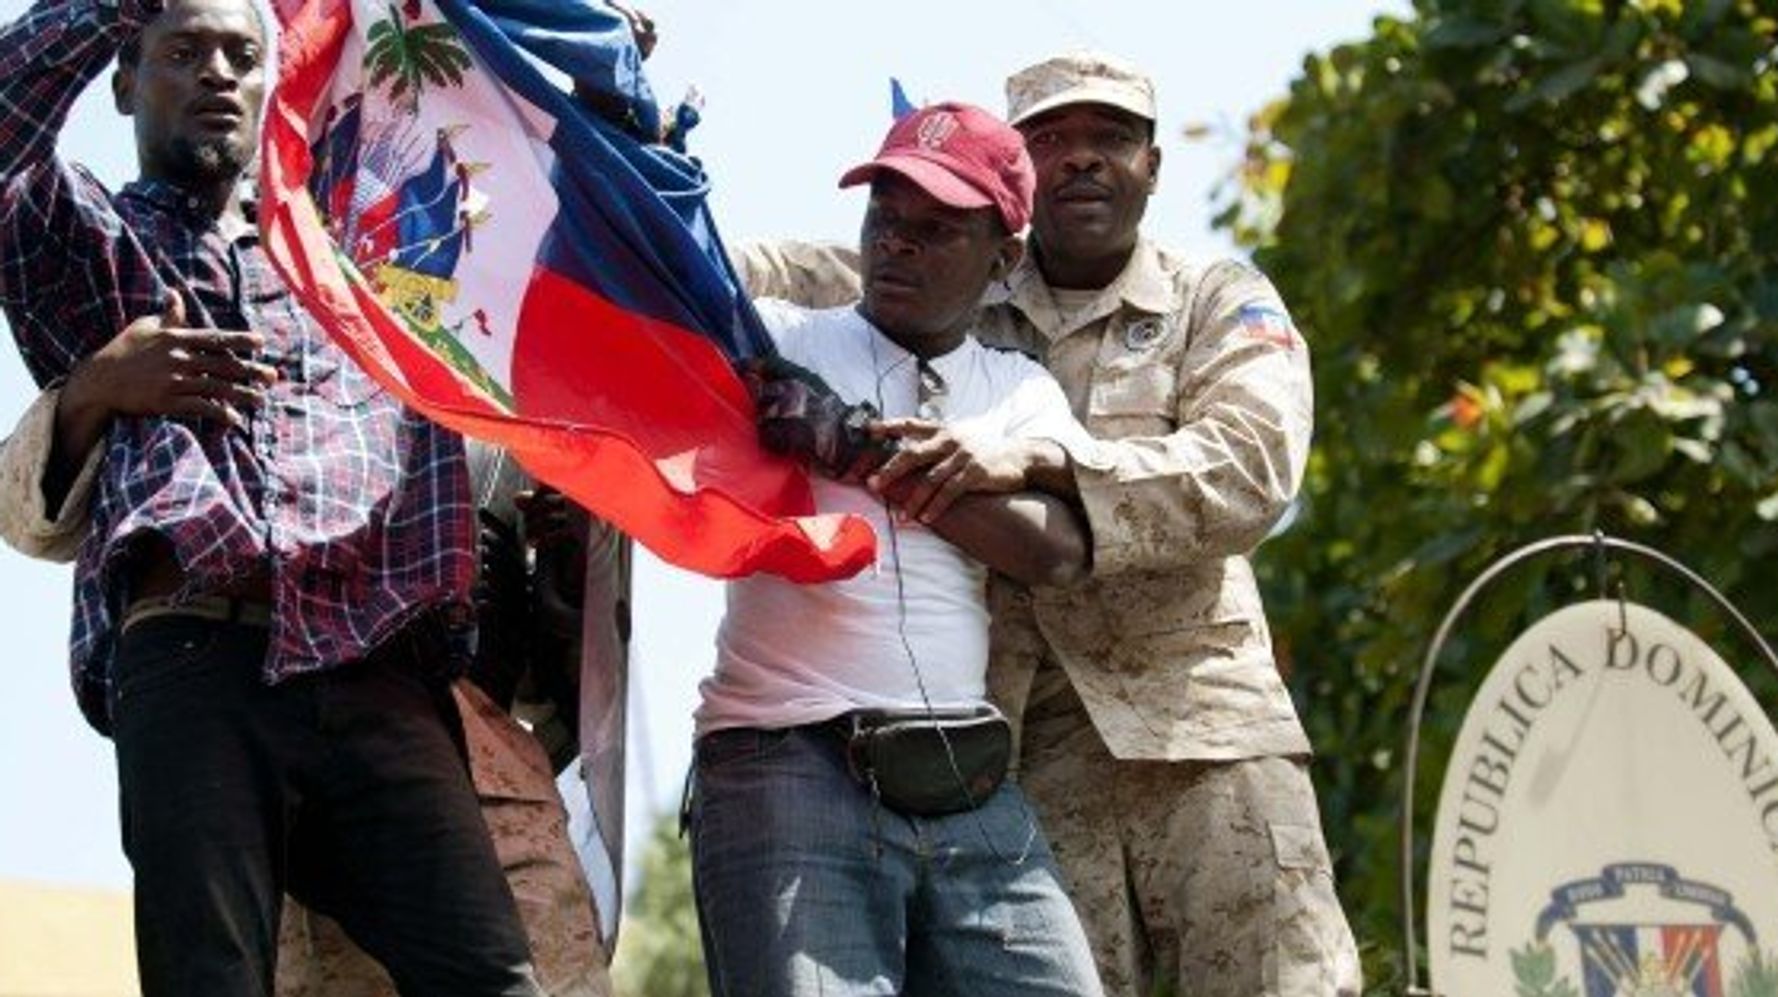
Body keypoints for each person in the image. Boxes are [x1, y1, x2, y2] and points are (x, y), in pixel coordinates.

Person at [0, 0, 543, 991]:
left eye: (242, 56)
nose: (215, 73)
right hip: (196, 654)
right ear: (123, 83)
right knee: (210, 975)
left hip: (380, 672)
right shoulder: (91, 246)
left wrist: (577, 71)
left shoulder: (367, 263)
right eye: (180, 52)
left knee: (496, 975)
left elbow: (535, 197)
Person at [863, 53, 1364, 997]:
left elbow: (1249, 470)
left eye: (1111, 140)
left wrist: (1050, 459)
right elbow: (779, 270)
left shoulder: (1217, 299)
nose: (1083, 161)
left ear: (1153, 166)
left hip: (1208, 740)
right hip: (1029, 772)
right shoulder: (958, 290)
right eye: (1050, 142)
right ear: (1013, 175)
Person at [0, 384, 611, 997]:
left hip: (472, 769)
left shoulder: (519, 391)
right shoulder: (227, 328)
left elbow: (555, 686)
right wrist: (97, 389)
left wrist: (569, 565)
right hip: (278, 725)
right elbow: (24, 508)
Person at [688, 101, 1105, 997]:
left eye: (936, 229)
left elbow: (1059, 550)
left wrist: (859, 448)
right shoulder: (781, 344)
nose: (898, 244)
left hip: (970, 779)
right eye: (885, 217)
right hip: (788, 764)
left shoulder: (1018, 389)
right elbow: (658, 270)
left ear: (1004, 260)